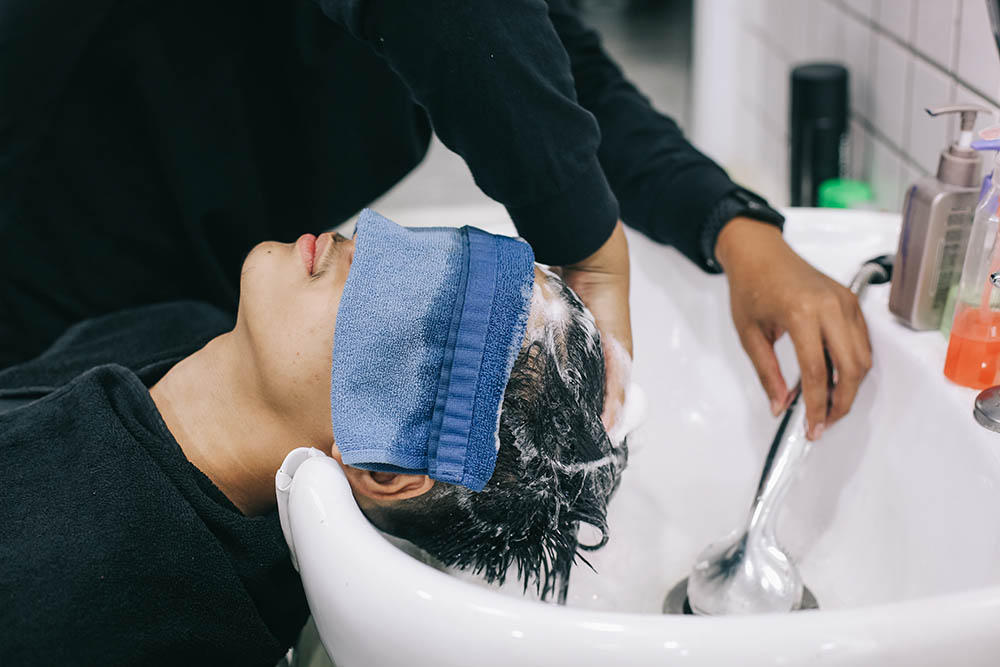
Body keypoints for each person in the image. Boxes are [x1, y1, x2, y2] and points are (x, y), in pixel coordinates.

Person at [0, 0, 868, 439]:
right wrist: (589, 251)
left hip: (196, 271)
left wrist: (733, 226)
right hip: (47, 237)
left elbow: (567, 79)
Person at [0, 220, 626, 665]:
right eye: (425, 246)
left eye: (413, 298)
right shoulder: (177, 328)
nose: (362, 243)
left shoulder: (83, 613)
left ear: (385, 465)